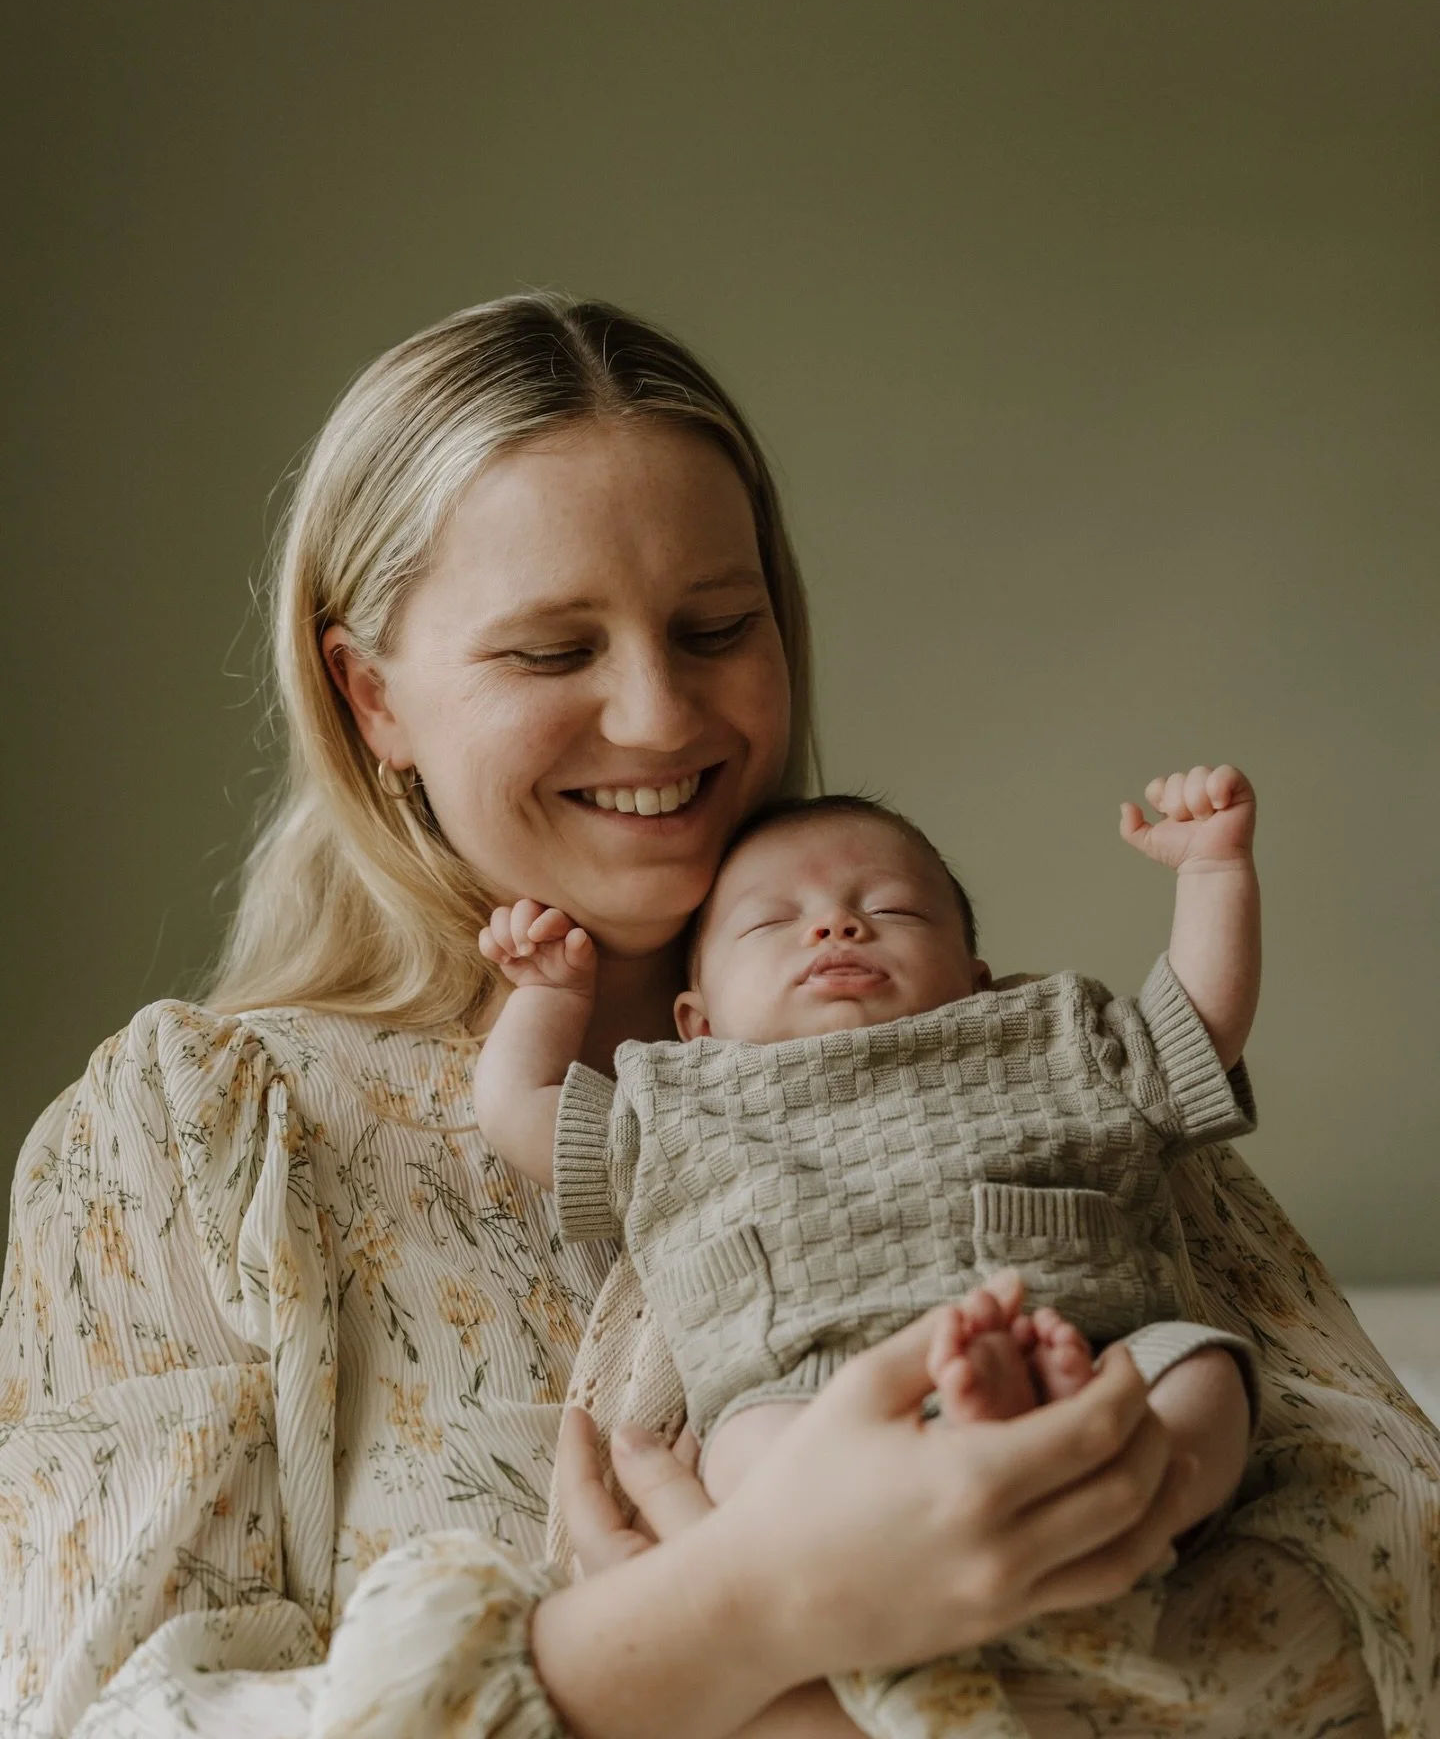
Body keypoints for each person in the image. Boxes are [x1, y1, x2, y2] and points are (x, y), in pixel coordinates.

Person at [0, 293, 1431, 1739]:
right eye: (553, 652)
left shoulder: (1007, 1076)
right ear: (369, 695)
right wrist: (734, 1628)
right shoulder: (193, 1150)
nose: (659, 715)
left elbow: (1397, 1571)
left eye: (715, 626)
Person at [471, 780, 1260, 1505]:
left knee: (1203, 1378)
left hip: (1084, 1341)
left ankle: (1098, 1490)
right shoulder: (678, 1095)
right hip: (805, 1382)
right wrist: (549, 994)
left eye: (896, 912)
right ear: (696, 1024)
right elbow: (515, 1107)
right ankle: (960, 1497)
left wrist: (1213, 873)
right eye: (773, 921)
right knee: (748, 1451)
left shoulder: (1044, 1035)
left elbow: (1197, 1029)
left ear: (977, 983)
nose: (835, 926)